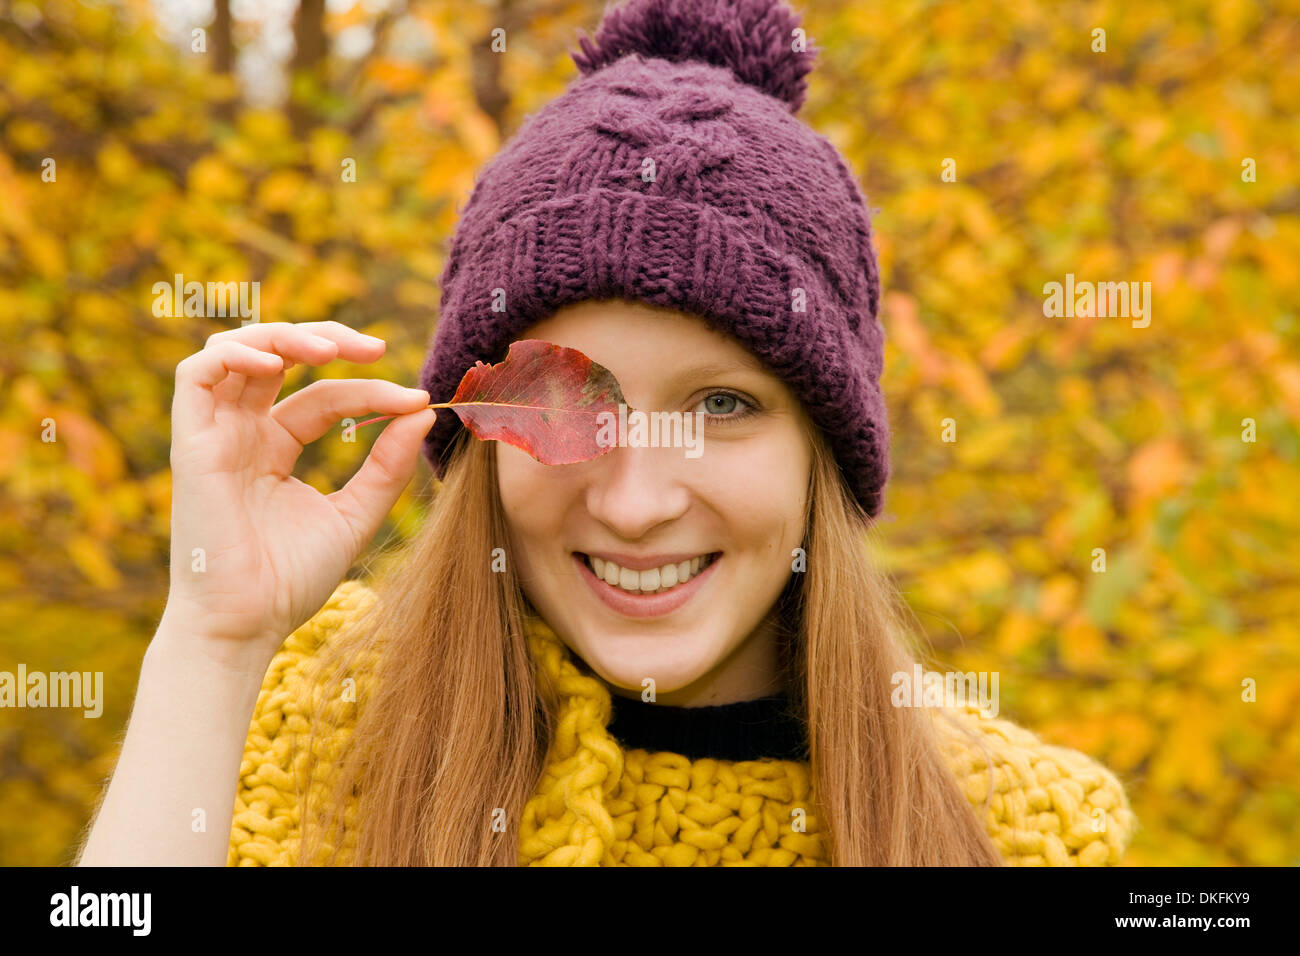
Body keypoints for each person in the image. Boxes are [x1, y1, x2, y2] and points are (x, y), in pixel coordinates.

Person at [77, 0, 1136, 867]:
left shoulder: (1024, 830)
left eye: (723, 406)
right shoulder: (303, 719)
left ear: (825, 446)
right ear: (480, 427)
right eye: (570, 403)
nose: (636, 502)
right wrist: (210, 645)